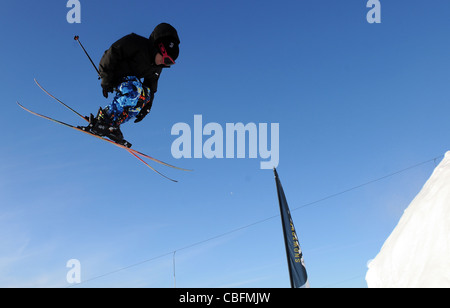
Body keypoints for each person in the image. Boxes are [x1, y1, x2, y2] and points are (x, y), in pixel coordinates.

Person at [81, 23, 180, 147]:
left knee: (143, 97)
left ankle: (113, 124)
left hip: (131, 83)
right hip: (114, 74)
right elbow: (112, 52)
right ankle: (104, 118)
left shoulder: (156, 67)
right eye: (166, 60)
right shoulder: (136, 43)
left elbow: (151, 87)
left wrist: (146, 108)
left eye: (169, 63)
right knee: (135, 90)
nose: (165, 64)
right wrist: (106, 79)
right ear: (158, 47)